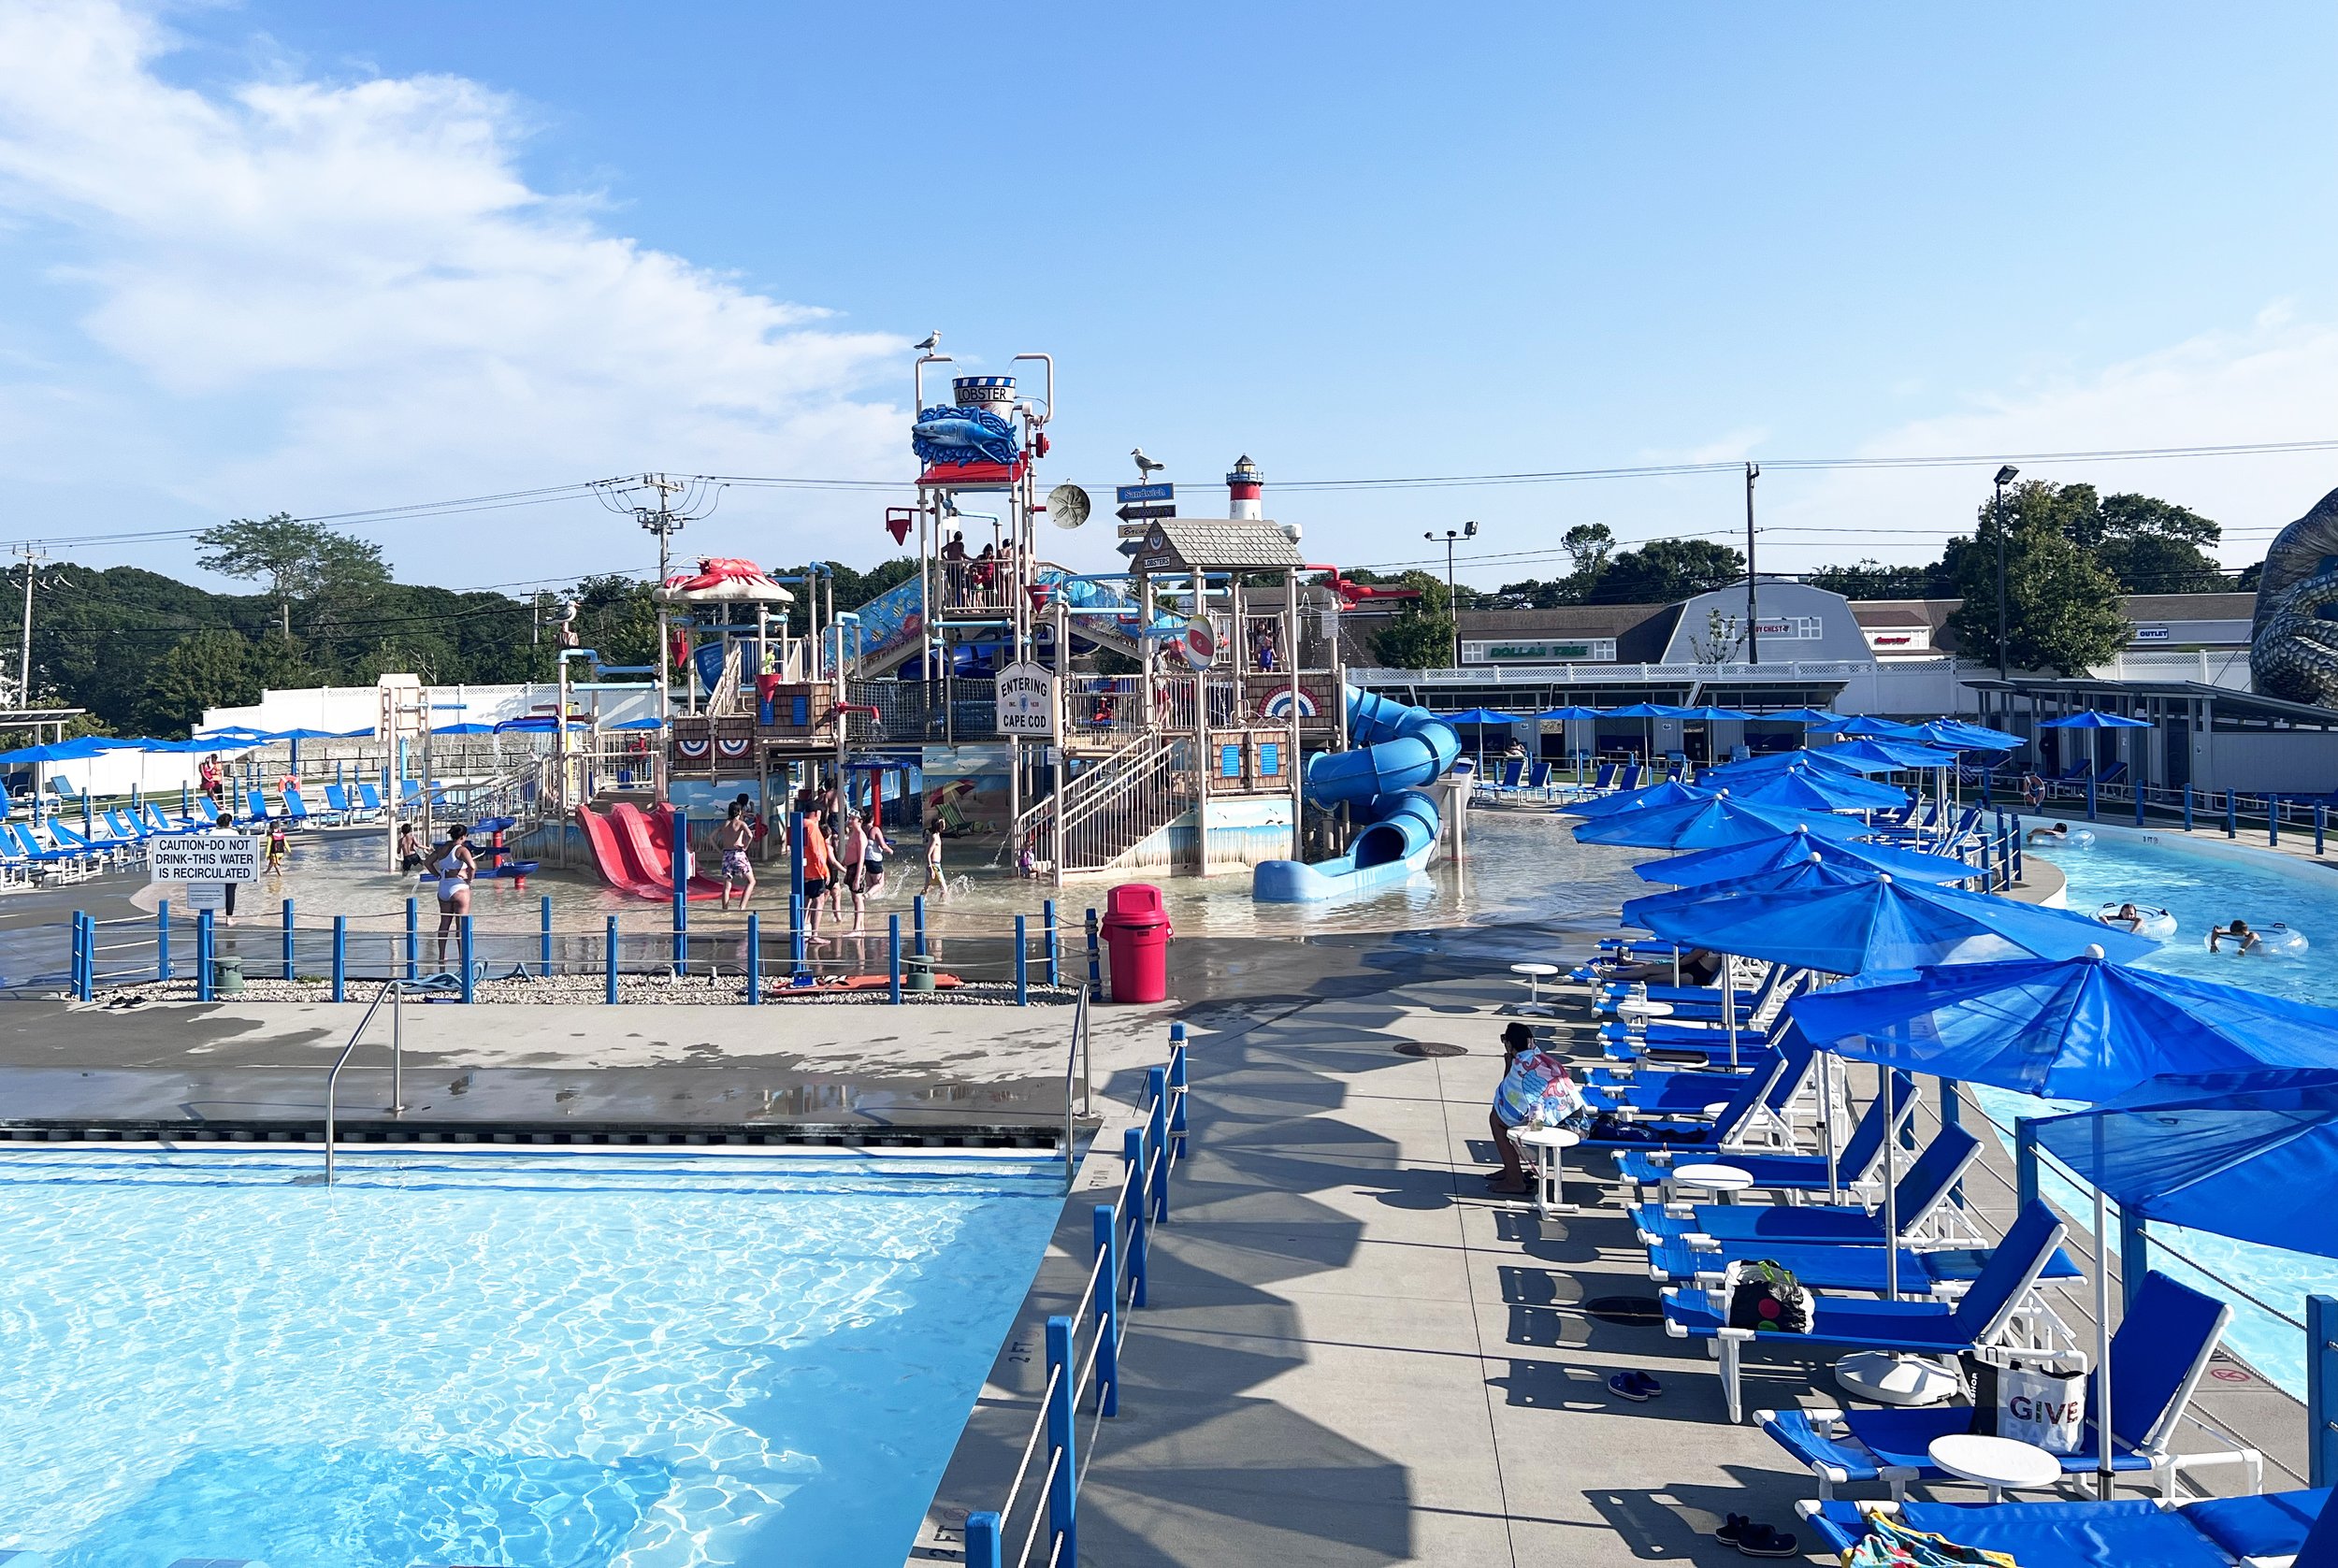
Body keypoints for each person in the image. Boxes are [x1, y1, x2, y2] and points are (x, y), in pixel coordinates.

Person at [1488, 1021, 1566, 1195]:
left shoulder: (1520, 1064)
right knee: (1502, 1117)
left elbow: (1507, 1095)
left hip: (1558, 1123)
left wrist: (1508, 1065)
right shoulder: (1538, 1057)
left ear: (1510, 1045)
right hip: (1567, 1115)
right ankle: (1511, 1169)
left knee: (1497, 1121)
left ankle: (1514, 1180)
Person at [430, 823, 477, 971]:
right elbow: (472, 866)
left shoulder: (442, 848)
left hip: (443, 888)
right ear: (463, 836)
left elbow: (427, 862)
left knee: (444, 923)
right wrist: (469, 880)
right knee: (461, 926)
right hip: (459, 888)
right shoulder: (462, 850)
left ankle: (442, 956)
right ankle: (462, 958)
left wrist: (438, 875)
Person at [714, 804, 756, 910]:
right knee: (751, 881)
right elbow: (750, 835)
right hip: (738, 854)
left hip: (726, 855)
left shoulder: (725, 824)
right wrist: (745, 847)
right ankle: (742, 907)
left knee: (727, 886)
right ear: (739, 812)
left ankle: (725, 909)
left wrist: (719, 850)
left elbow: (710, 837)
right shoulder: (741, 823)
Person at [800, 808, 831, 943]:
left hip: (803, 871)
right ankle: (814, 935)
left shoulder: (799, 824)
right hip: (815, 872)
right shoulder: (812, 827)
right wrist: (825, 871)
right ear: (817, 813)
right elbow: (817, 851)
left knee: (805, 902)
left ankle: (801, 930)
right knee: (819, 901)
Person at [836, 809, 871, 933]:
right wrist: (843, 862)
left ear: (860, 821)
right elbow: (849, 851)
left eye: (853, 819)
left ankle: (857, 928)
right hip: (851, 866)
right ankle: (860, 927)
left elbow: (861, 858)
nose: (850, 821)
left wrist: (857, 878)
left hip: (857, 867)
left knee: (857, 897)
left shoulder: (861, 836)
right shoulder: (853, 833)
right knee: (854, 897)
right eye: (850, 818)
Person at [922, 813, 948, 901]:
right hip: (934, 865)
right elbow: (928, 854)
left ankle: (919, 902)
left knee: (927, 887)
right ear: (939, 826)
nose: (945, 826)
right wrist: (931, 868)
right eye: (943, 824)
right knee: (944, 889)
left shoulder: (937, 836)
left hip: (935, 864)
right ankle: (940, 905)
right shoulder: (934, 837)